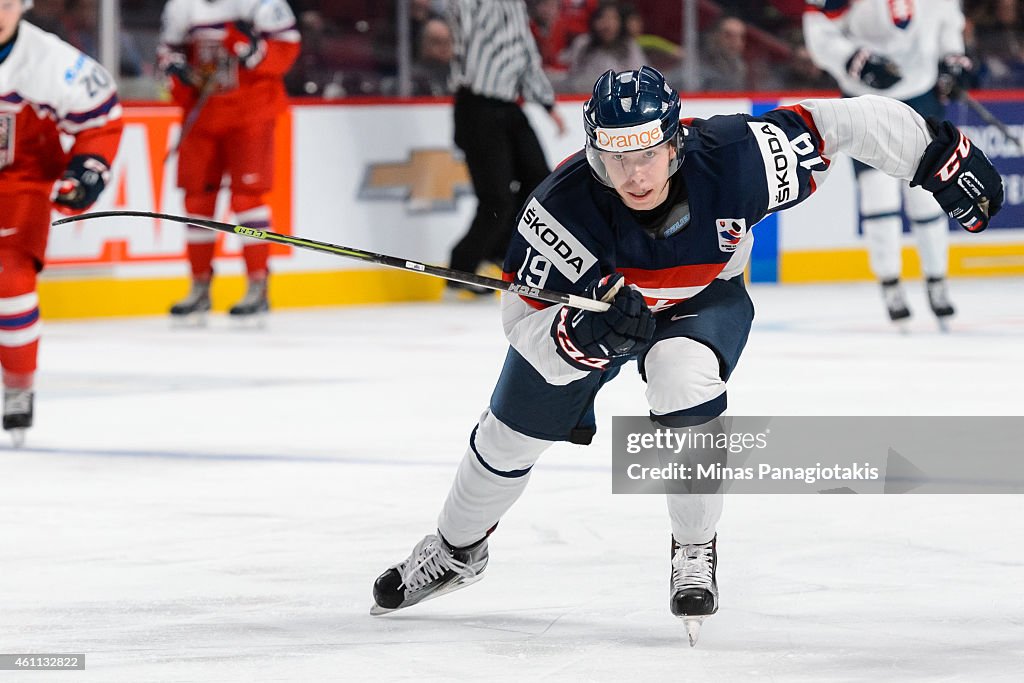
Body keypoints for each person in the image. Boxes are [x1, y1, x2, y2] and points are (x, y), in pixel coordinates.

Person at [368, 66, 1002, 643]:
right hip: (592, 317)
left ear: (675, 143)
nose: (635, 176)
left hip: (705, 299)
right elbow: (524, 324)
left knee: (682, 380)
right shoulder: (559, 212)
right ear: (594, 154)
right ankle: (456, 552)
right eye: (616, 160)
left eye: (648, 154)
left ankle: (694, 546)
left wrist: (938, 154)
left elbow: (848, 123)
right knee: (506, 437)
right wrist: (585, 338)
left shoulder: (738, 160)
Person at [803, 0, 974, 328]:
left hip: (921, 91)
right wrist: (851, 59)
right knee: (878, 190)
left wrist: (952, 56)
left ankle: (937, 280)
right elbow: (820, 27)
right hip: (864, 96)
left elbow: (947, 18)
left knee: (928, 193)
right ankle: (890, 283)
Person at [0, 0, 123, 446]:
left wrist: (89, 166)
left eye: (8, 2)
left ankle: (18, 385)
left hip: (20, 184)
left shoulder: (51, 61)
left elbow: (101, 118)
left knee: (10, 280)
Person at [158, 0, 300, 324]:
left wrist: (253, 51)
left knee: (246, 198)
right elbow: (169, 50)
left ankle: (258, 285)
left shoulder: (261, 3)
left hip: (250, 112)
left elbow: (286, 48)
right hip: (203, 112)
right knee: (197, 199)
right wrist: (177, 68)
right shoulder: (182, 6)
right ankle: (199, 286)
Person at [446, 0, 566, 298]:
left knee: (540, 184)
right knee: (496, 198)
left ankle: (500, 249)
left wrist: (547, 103)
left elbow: (524, 54)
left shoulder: (513, 5)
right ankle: (460, 270)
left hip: (508, 106)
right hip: (477, 106)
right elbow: (461, 29)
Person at [563, 1, 646, 94]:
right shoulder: (582, 43)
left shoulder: (630, 46)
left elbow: (640, 79)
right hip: (584, 99)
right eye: (602, 18)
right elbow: (572, 80)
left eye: (613, 19)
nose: (607, 25)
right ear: (594, 21)